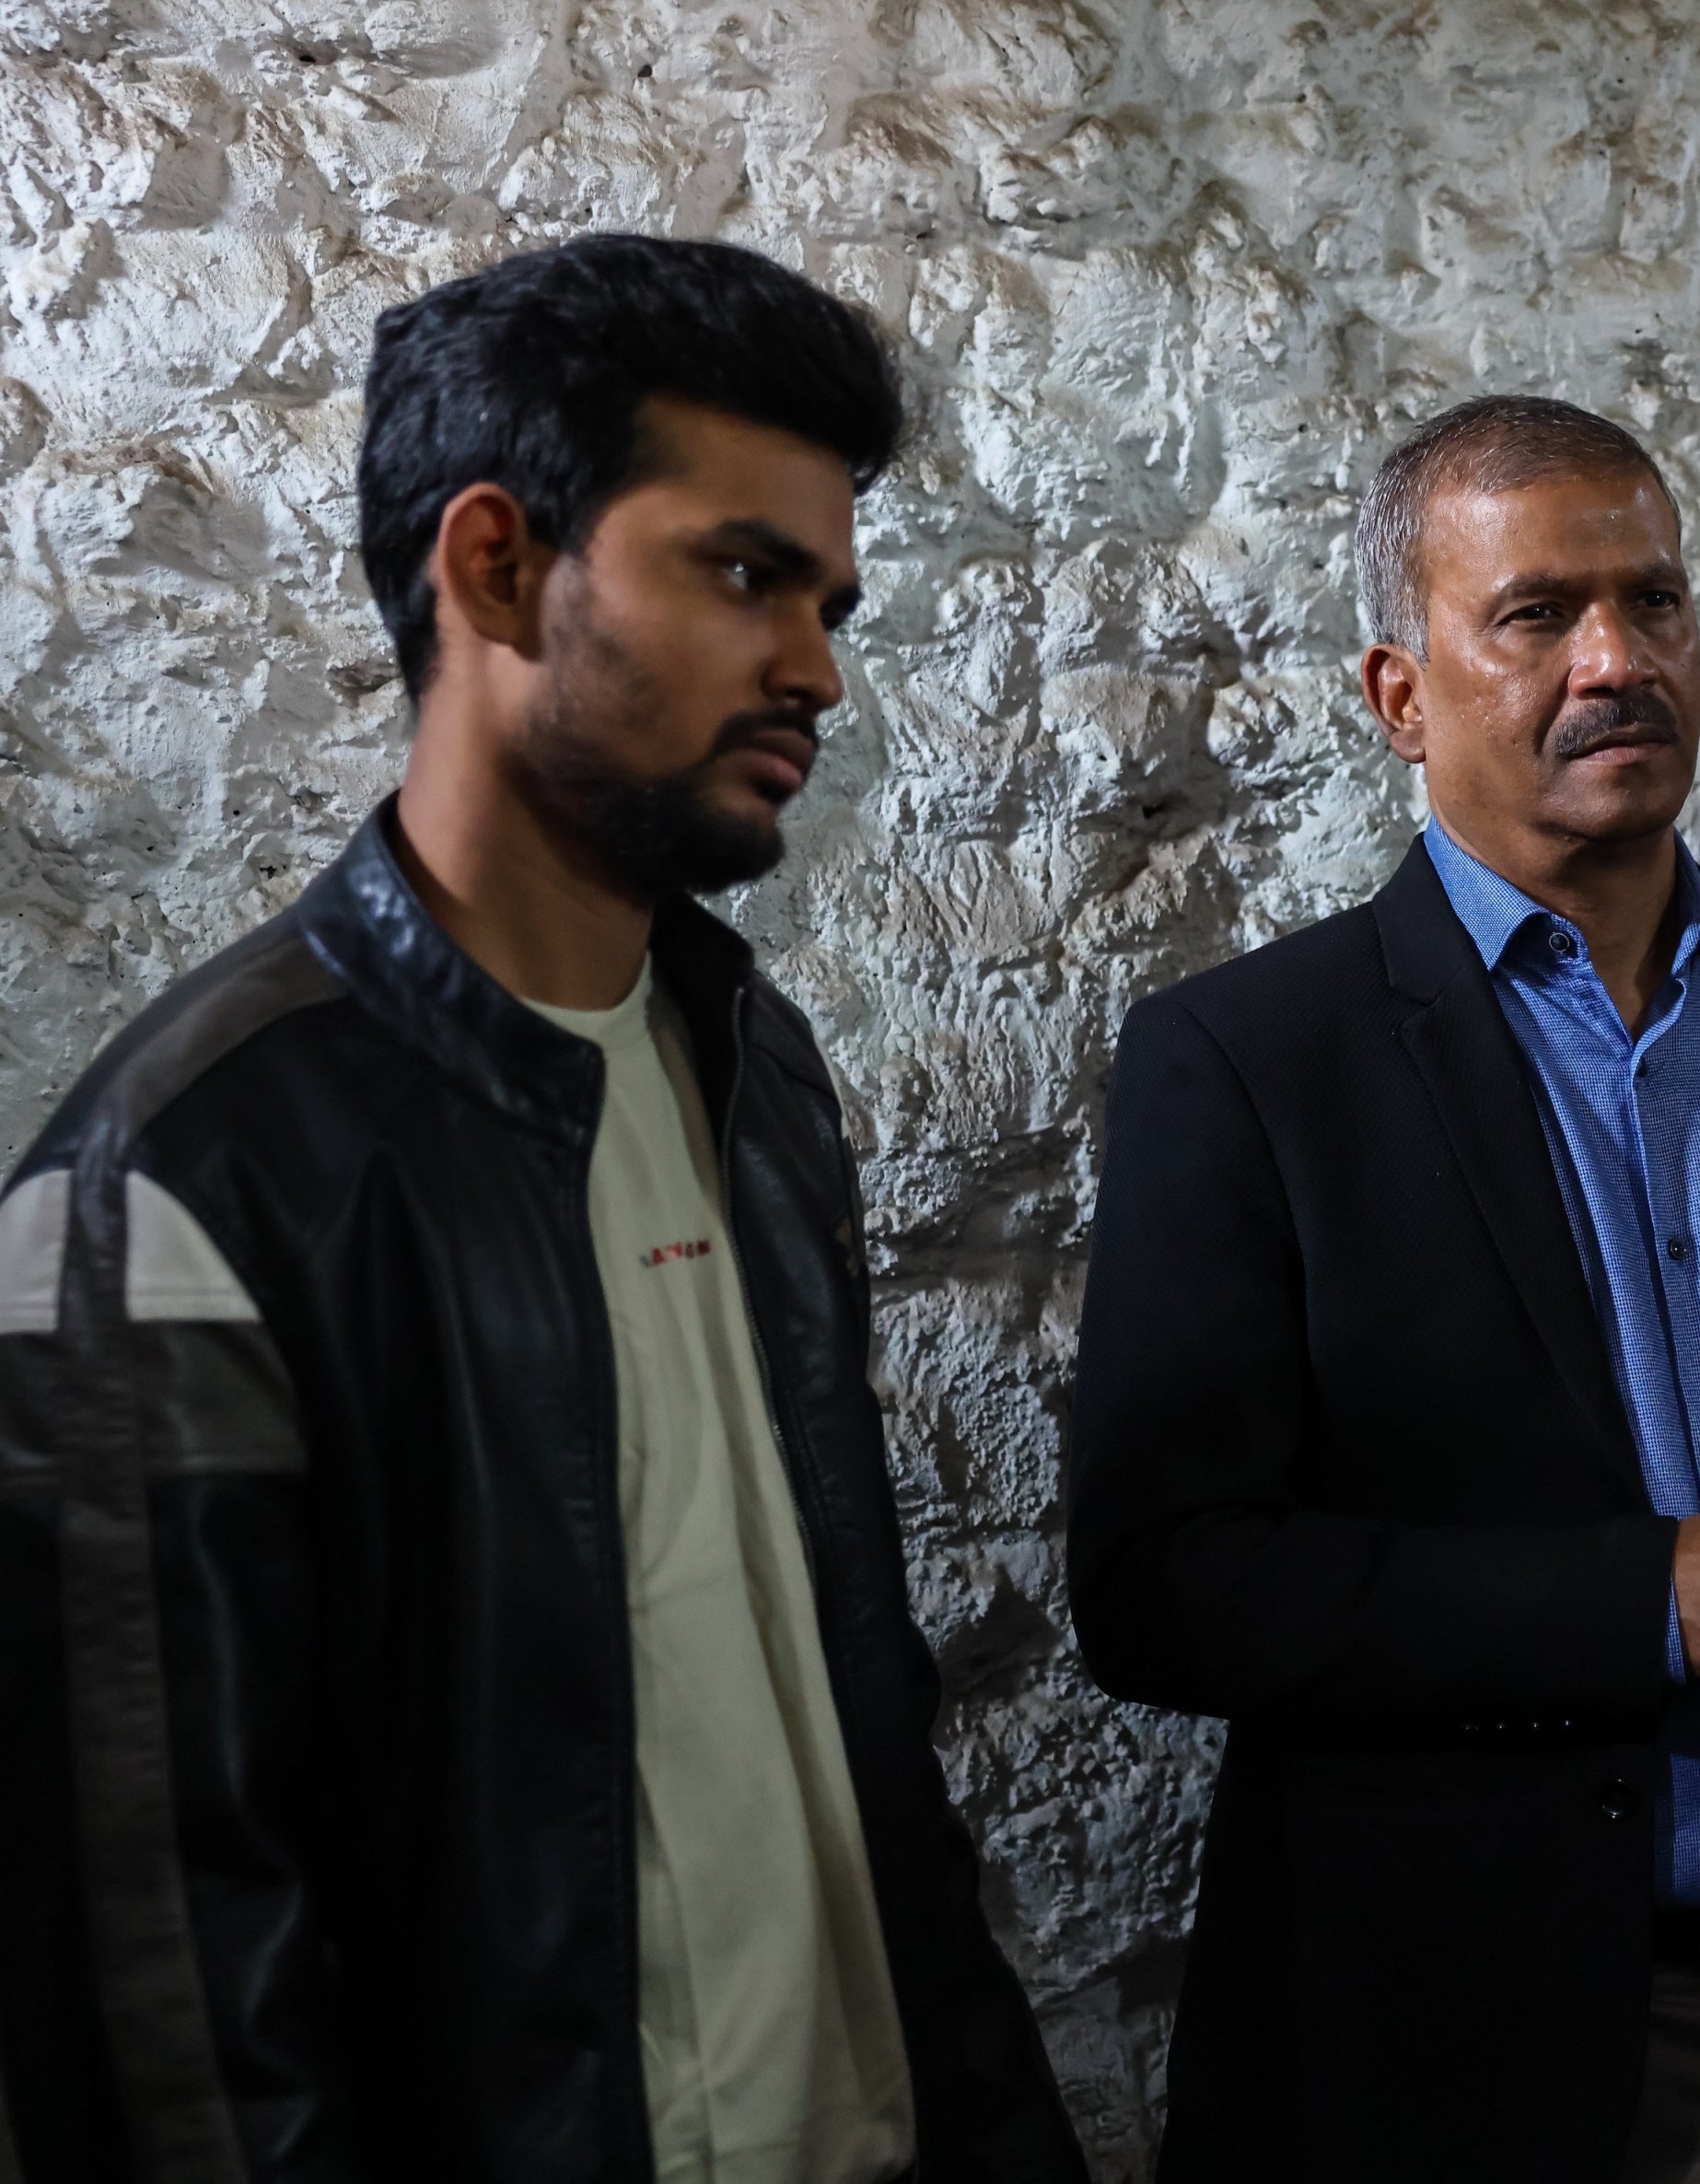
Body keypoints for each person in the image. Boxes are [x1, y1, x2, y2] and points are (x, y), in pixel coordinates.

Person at [0, 237, 1084, 2179]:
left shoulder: (753, 1069)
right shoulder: (175, 1180)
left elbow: (852, 1707)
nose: (817, 666)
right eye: (746, 571)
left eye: (830, 597)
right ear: (496, 565)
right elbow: (166, 1992)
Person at [1065, 396, 1700, 2184]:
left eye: (1655, 602)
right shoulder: (1244, 1060)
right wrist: (1650, 1602)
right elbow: (1162, 1583)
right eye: (1535, 613)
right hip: (1458, 2050)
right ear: (1398, 692)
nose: (1615, 658)